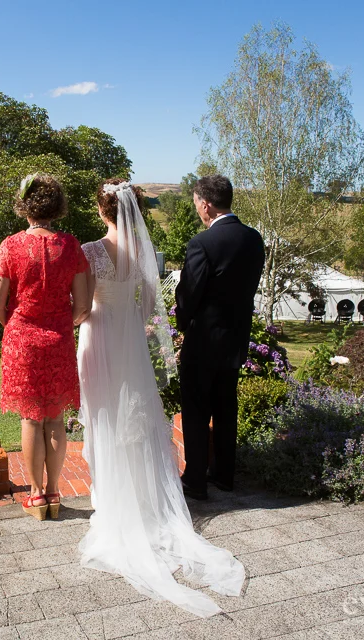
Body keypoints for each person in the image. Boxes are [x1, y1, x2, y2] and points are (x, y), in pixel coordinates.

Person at [77, 178, 245, 617]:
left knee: (104, 413)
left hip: (97, 337)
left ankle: (109, 498)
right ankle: (146, 500)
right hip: (130, 340)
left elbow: (80, 305)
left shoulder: (90, 250)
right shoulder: (146, 253)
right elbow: (149, 302)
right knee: (136, 415)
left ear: (101, 211)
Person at [0, 173, 90, 520]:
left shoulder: (11, 245)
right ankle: (54, 491)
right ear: (56, 206)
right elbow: (83, 305)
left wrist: (17, 326)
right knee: (56, 419)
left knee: (32, 420)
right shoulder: (71, 246)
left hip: (22, 342)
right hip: (59, 340)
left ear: (25, 205)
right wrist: (61, 325)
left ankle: (35, 497)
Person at [176, 175, 265, 499]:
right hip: (236, 339)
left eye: (197, 203)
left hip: (203, 342)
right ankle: (225, 474)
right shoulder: (254, 240)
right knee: (227, 407)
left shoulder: (203, 244)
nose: (198, 209)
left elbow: (189, 294)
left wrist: (184, 322)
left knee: (197, 410)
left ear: (206, 204)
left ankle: (196, 480)